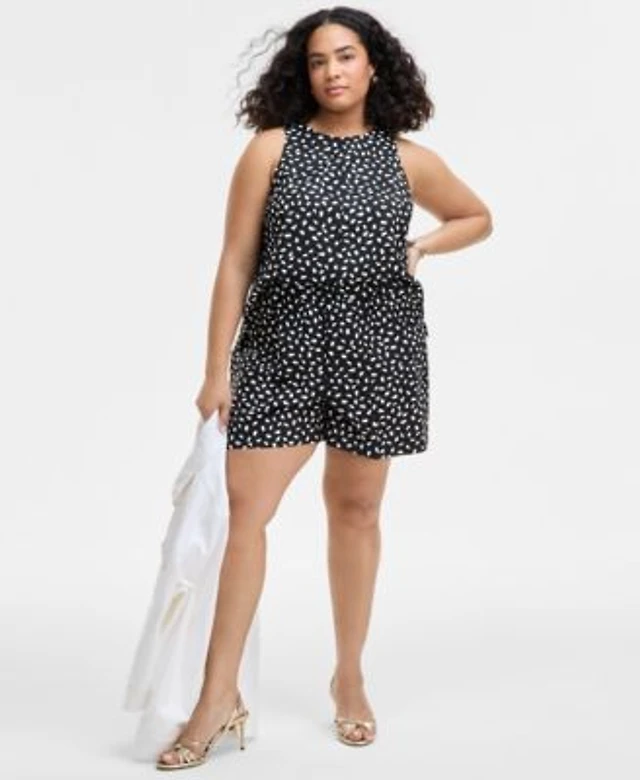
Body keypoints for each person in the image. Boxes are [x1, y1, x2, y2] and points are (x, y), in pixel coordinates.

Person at [156, 5, 493, 770]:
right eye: (317, 60)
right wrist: (216, 368)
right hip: (280, 348)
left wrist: (422, 246)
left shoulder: (408, 160)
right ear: (301, 74)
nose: (332, 71)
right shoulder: (272, 149)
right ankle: (217, 696)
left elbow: (477, 216)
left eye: (345, 56)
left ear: (375, 66)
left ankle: (349, 676)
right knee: (245, 515)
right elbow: (235, 261)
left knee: (356, 510)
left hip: (379, 347)